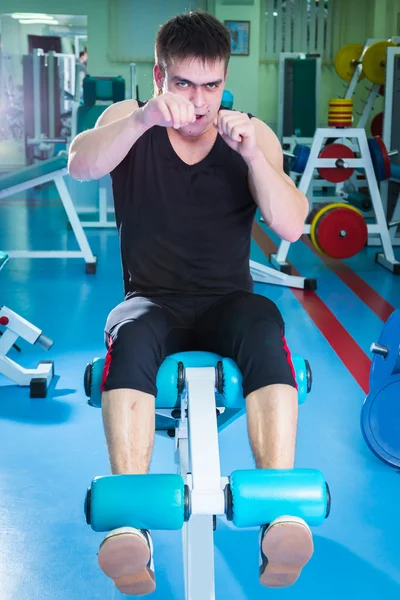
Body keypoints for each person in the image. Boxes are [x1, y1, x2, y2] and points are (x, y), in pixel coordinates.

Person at [68, 11, 310, 598]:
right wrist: (146, 116)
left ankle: (277, 515)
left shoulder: (252, 134)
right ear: (159, 76)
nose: (199, 102)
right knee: (127, 333)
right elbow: (81, 164)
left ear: (226, 80)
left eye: (211, 86)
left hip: (229, 302)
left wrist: (255, 157)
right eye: (183, 84)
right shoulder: (130, 120)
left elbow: (293, 225)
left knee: (264, 323)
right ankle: (130, 529)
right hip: (149, 301)